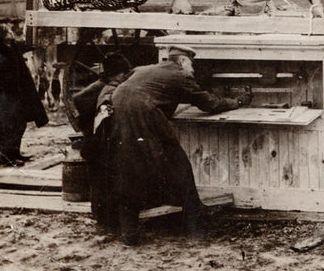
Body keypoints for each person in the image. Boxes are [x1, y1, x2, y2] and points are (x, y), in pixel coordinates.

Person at [95, 45, 250, 245]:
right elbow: (209, 103)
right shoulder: (180, 75)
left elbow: (124, 88)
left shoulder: (143, 69)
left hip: (117, 115)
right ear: (183, 61)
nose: (193, 70)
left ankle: (130, 233)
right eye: (192, 64)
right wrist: (237, 102)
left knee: (129, 172)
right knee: (179, 167)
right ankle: (195, 229)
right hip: (143, 117)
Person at [77, 52, 133, 231]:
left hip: (93, 141)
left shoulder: (98, 86)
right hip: (101, 142)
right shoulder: (110, 90)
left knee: (98, 182)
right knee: (107, 181)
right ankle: (107, 221)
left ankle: (101, 218)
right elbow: (103, 119)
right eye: (125, 74)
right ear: (119, 74)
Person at [0, 24, 48, 166]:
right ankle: (6, 158)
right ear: (2, 37)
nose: (11, 32)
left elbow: (27, 45)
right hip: (5, 99)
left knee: (19, 125)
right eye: (8, 31)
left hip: (16, 97)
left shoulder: (12, 48)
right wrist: (2, 96)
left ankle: (15, 153)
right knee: (8, 128)